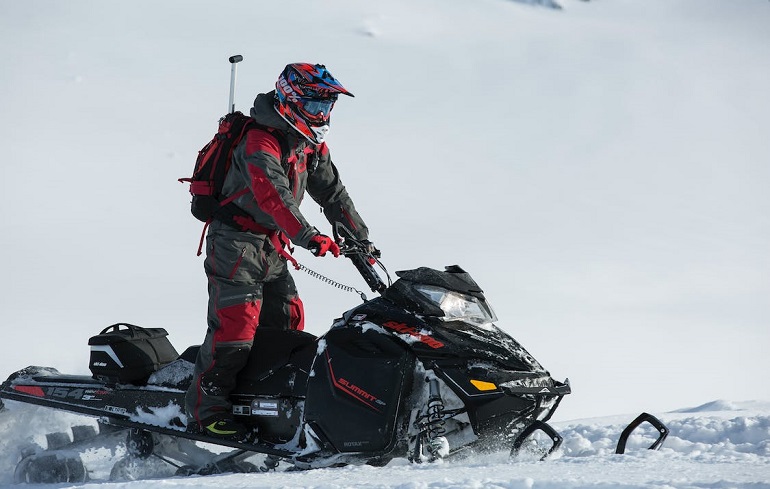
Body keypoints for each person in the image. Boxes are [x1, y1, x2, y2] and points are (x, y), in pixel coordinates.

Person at [184, 63, 377, 441]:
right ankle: (205, 412)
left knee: (286, 324)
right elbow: (272, 196)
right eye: (315, 105)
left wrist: (361, 240)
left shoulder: (309, 143)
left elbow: (333, 195)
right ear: (290, 99)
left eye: (327, 107)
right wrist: (308, 236)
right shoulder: (261, 140)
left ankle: (264, 404)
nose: (322, 115)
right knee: (235, 330)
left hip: (271, 245)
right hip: (235, 244)